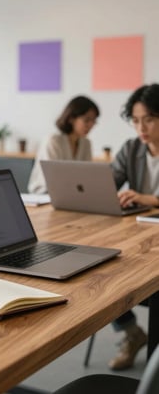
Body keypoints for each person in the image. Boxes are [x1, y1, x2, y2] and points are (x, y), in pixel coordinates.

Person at [108, 83, 159, 370]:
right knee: (104, 269)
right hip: (140, 234)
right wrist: (113, 195)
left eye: (149, 119)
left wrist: (150, 198)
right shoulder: (131, 148)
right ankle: (132, 333)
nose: (141, 127)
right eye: (136, 120)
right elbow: (108, 183)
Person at [27, 96, 100, 193]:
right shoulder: (53, 141)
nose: (90, 125)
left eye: (93, 121)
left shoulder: (86, 143)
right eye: (86, 120)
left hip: (72, 195)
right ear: (71, 118)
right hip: (44, 194)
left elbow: (86, 177)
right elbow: (53, 180)